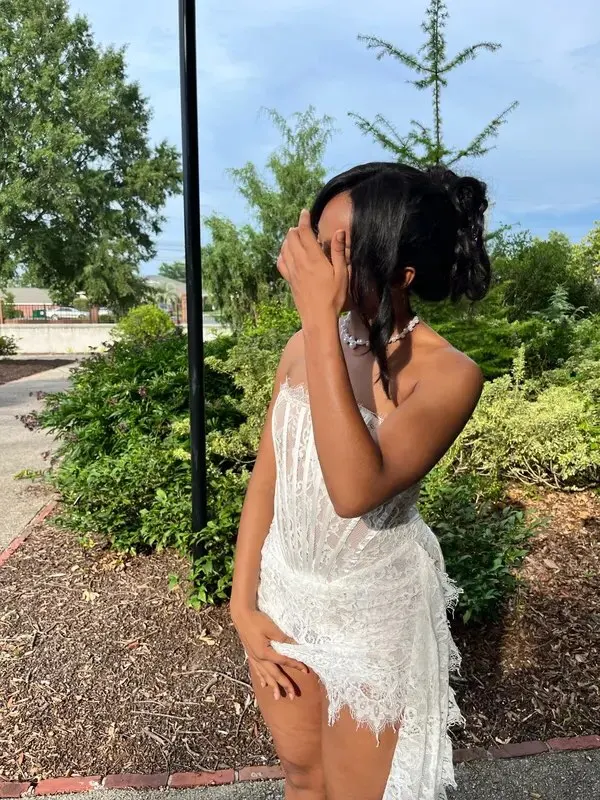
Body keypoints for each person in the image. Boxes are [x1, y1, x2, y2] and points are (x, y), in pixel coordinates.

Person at [230, 161, 491, 800]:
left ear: (402, 274)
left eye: (337, 250)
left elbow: (354, 491)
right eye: (317, 243)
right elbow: (267, 479)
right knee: (302, 778)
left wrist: (319, 322)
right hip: (286, 593)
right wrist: (243, 605)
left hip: (374, 614)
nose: (312, 264)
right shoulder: (299, 348)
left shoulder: (449, 375)